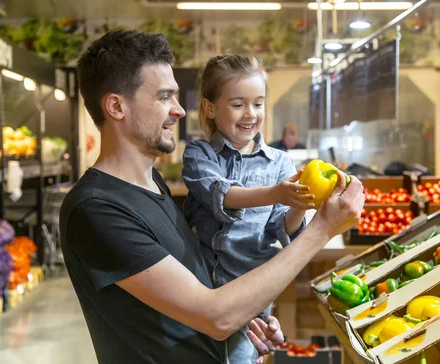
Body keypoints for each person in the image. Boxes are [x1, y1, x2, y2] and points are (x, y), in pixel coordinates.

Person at [59, 30, 364, 364]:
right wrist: (321, 230)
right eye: (164, 97)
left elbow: (200, 296)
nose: (178, 111)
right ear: (116, 106)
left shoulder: (152, 186)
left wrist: (246, 320)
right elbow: (215, 317)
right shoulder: (98, 208)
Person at [182, 55, 314, 363]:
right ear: (210, 108)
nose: (251, 114)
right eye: (238, 104)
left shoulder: (280, 162)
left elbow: (283, 229)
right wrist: (276, 192)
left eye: (258, 103)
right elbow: (220, 194)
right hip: (200, 290)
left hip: (252, 295)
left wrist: (298, 203)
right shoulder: (199, 154)